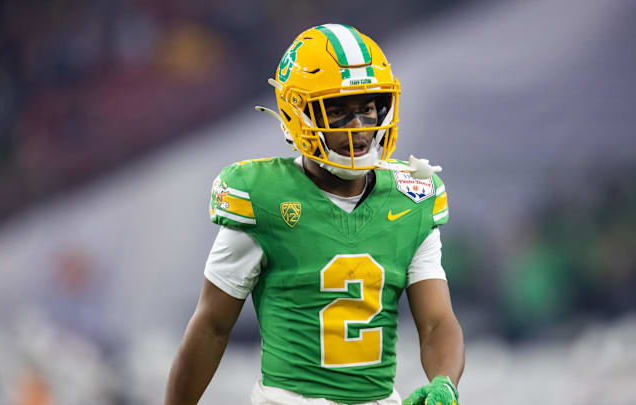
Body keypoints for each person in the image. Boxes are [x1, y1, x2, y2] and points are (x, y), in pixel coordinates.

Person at [164, 23, 464, 405]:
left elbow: (437, 322)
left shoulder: (411, 198)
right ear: (298, 113)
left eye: (368, 108)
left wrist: (444, 382)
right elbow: (211, 327)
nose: (358, 127)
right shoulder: (264, 197)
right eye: (337, 111)